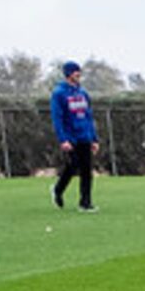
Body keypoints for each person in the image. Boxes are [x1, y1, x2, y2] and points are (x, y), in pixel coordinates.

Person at [48, 62, 98, 212]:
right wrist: (63, 139)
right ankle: (58, 190)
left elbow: (88, 116)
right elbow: (57, 118)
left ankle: (85, 203)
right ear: (68, 74)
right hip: (71, 137)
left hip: (85, 136)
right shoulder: (59, 93)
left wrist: (94, 138)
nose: (79, 74)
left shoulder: (83, 93)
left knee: (86, 171)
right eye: (76, 72)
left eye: (79, 72)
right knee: (72, 165)